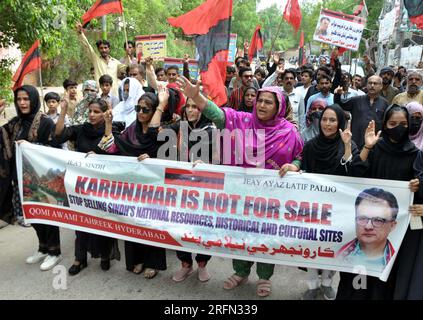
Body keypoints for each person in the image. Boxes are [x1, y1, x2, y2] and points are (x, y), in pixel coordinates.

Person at [176, 76, 303, 297]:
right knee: (241, 233)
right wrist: (195, 96)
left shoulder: (289, 132)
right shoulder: (242, 121)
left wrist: (294, 165)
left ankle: (264, 277)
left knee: (266, 237)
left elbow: (301, 155)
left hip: (272, 198)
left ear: (280, 107)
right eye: (260, 100)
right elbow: (216, 113)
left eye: (268, 102)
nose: (261, 105)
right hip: (241, 196)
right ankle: (240, 272)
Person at [336, 105, 420, 300]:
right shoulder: (376, 148)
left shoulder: (414, 154)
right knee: (357, 279)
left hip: (392, 235)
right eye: (392, 123)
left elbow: (418, 190)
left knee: (383, 281)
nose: (398, 128)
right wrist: (367, 146)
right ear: (385, 124)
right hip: (366, 229)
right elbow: (356, 172)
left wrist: (418, 185)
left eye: (403, 124)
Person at [98, 87, 168, 279]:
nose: (140, 113)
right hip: (132, 188)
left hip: (153, 189)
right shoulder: (131, 130)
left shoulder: (162, 132)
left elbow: (168, 158)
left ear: (154, 111)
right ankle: (136, 259)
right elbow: (110, 147)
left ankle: (153, 263)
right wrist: (108, 123)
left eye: (146, 109)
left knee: (151, 224)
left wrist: (152, 160)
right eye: (138, 108)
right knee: (133, 223)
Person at [54, 98, 121, 275]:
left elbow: (110, 148)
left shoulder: (112, 129)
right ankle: (79, 258)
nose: (91, 114)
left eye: (96, 111)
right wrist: (63, 110)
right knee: (81, 222)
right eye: (90, 111)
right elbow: (59, 135)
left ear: (105, 113)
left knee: (102, 222)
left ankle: (105, 255)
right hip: (80, 186)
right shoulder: (81, 129)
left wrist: (108, 123)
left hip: (101, 187)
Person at [301, 104, 361, 300]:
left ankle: (327, 284)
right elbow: (304, 171)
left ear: (340, 123)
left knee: (332, 249)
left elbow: (352, 174)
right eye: (325, 119)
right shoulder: (310, 146)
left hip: (337, 210)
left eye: (333, 120)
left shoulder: (349, 144)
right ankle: (312, 286)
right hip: (312, 209)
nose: (327, 124)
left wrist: (346, 146)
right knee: (310, 247)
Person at [6, 85, 62, 269]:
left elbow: (55, 149)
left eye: (26, 99)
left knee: (47, 216)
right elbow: (3, 140)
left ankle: (55, 252)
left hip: (42, 179)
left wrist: (31, 146)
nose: (22, 103)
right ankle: (43, 248)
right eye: (19, 99)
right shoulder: (16, 123)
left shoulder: (45, 122)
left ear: (33, 99)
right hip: (22, 178)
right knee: (33, 216)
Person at [169, 97, 217, 283]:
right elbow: (153, 132)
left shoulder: (212, 130)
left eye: (195, 107)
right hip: (180, 188)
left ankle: (202, 264)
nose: (190, 110)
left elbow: (221, 159)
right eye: (187, 106)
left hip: (203, 189)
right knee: (178, 226)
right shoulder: (179, 127)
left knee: (202, 228)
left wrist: (207, 164)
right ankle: (185, 265)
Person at [337, 188, 398, 270]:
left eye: (378, 220)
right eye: (362, 218)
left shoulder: (402, 259)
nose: (368, 227)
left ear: (392, 225)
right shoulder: (336, 253)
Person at [334, 75, 388, 149]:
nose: (372, 85)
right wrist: (337, 95)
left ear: (381, 86)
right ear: (366, 85)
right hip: (356, 142)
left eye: (375, 83)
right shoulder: (356, 100)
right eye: (370, 83)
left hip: (375, 143)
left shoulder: (384, 103)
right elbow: (340, 105)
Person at [76, 22, 125, 97]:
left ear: (109, 49)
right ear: (98, 49)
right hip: (99, 94)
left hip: (114, 95)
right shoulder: (96, 60)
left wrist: (128, 55)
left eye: (105, 48)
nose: (104, 50)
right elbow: (87, 47)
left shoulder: (115, 62)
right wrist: (80, 33)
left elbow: (126, 68)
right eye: (101, 48)